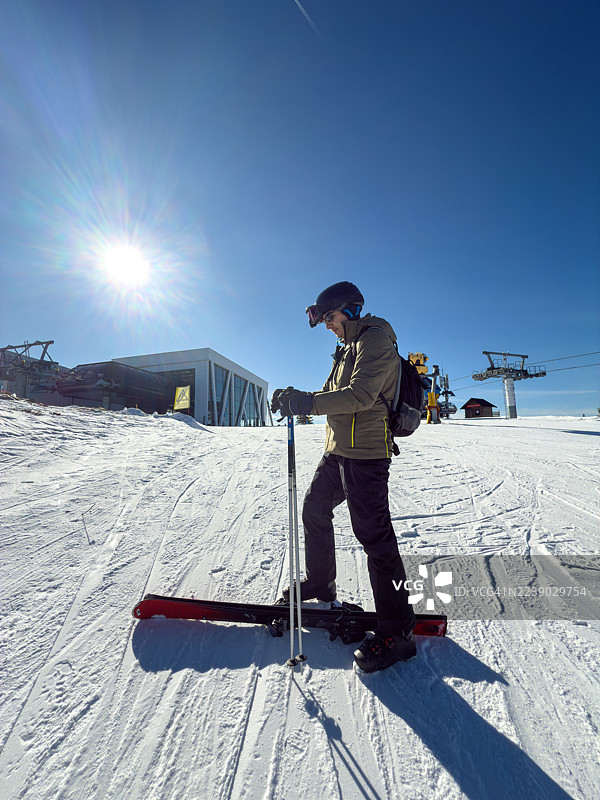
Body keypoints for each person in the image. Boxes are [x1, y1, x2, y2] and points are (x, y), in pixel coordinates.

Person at [271, 281, 416, 673]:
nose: (329, 327)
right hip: (338, 451)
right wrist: (296, 398)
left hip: (367, 454)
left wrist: (308, 403)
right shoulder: (347, 346)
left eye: (330, 319)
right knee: (314, 508)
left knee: (375, 538)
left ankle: (398, 633)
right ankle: (321, 583)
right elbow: (329, 392)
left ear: (349, 310)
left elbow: (360, 396)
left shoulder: (376, 340)